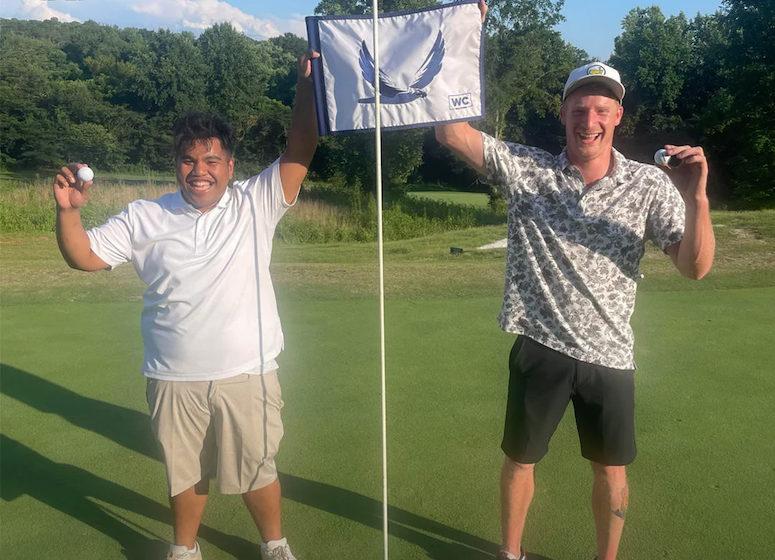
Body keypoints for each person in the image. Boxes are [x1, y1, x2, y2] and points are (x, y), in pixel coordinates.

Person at [435, 6, 715, 560]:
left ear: (618, 117)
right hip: (541, 346)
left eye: (601, 109)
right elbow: (451, 130)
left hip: (611, 354)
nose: (589, 119)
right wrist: (464, 30)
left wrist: (696, 195)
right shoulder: (528, 168)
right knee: (519, 461)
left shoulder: (650, 185)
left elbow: (695, 266)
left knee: (611, 474)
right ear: (563, 113)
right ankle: (509, 554)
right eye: (579, 108)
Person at [52, 50, 320, 560]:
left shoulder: (254, 201)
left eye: (212, 160)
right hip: (173, 375)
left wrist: (305, 90)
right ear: (177, 163)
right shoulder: (143, 217)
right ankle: (185, 549)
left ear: (230, 165)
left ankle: (274, 544)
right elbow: (83, 257)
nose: (200, 171)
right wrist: (68, 213)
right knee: (185, 473)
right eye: (189, 159)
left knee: (257, 468)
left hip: (249, 372)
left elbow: (301, 147)